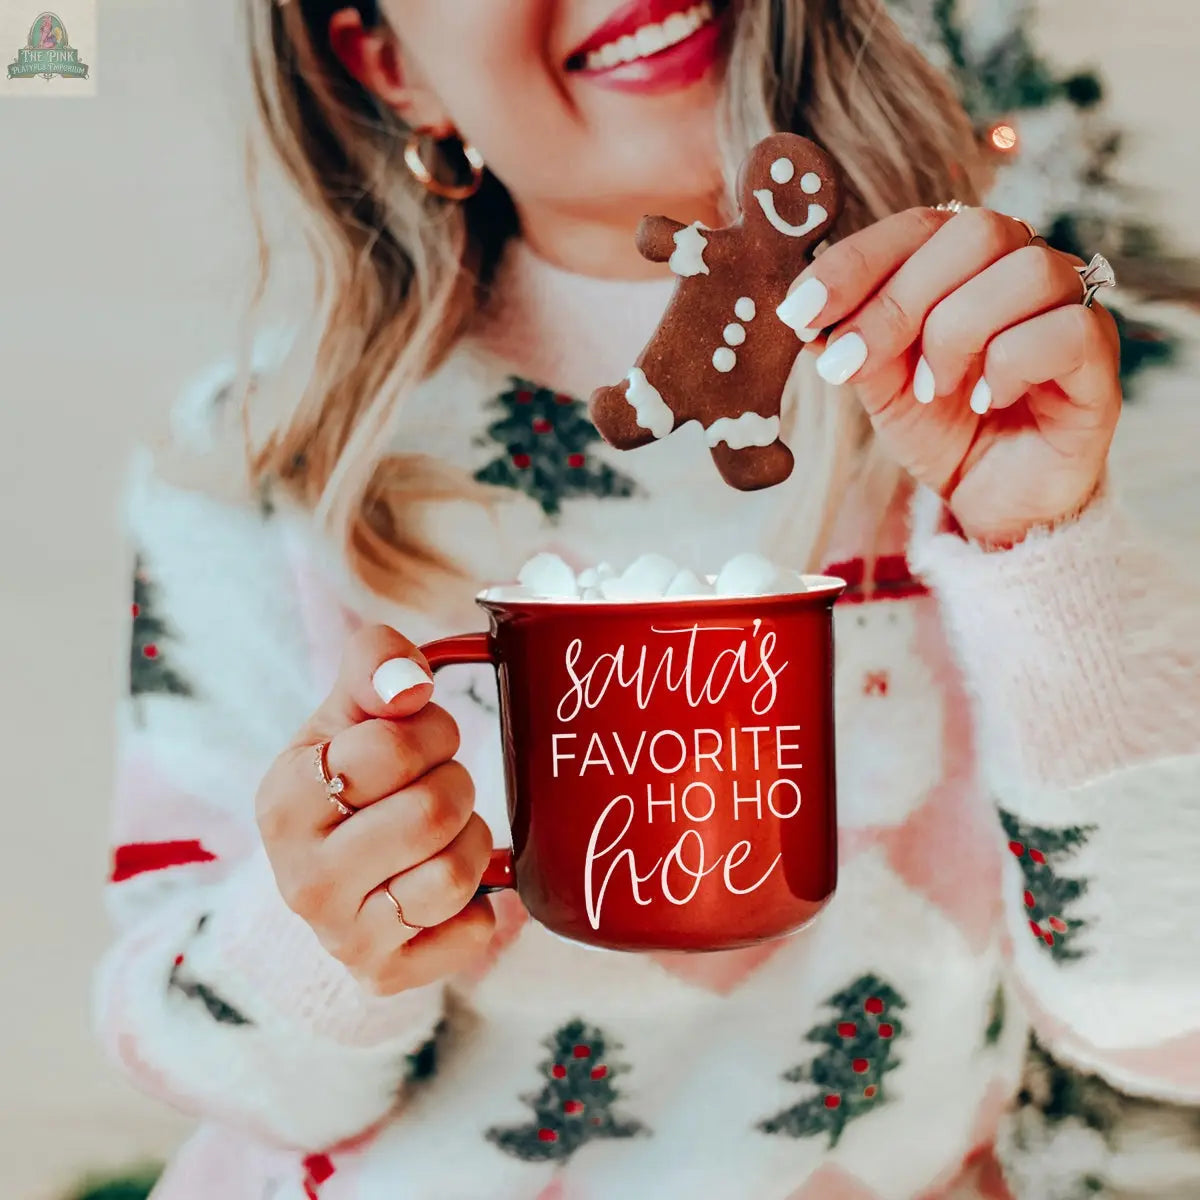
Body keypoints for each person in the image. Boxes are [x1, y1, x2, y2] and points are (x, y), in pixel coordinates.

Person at [96, 1, 1200, 1197]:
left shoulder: (1033, 373)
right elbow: (204, 1061)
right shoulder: (264, 462)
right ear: (387, 61)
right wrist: (322, 939)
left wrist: (1045, 550)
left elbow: (1166, 1024)